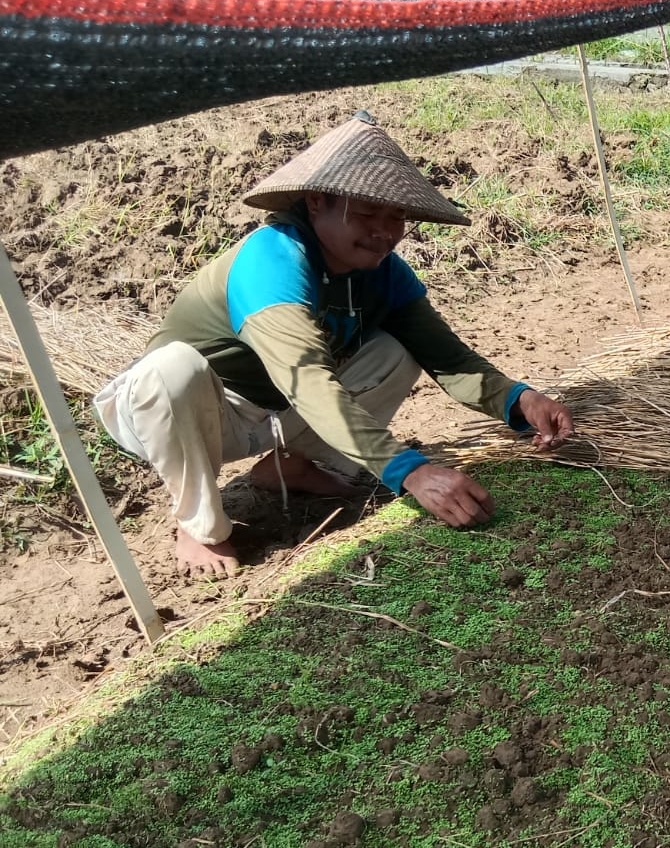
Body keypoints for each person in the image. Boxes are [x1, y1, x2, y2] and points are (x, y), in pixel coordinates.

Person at [94, 112, 573, 579]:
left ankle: (291, 465)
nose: (385, 232)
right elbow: (309, 381)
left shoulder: (383, 274)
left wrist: (520, 400)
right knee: (172, 369)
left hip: (278, 410)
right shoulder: (272, 261)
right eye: (366, 213)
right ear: (317, 201)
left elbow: (447, 357)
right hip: (193, 415)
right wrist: (409, 471)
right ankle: (198, 523)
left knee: (395, 349)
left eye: (397, 216)